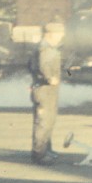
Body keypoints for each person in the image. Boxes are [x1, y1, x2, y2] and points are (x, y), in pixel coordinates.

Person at [30, 22, 64, 164]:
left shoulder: (49, 47)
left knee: (49, 120)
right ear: (50, 34)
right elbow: (43, 65)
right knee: (43, 122)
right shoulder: (44, 49)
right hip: (44, 89)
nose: (62, 36)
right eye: (60, 34)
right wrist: (49, 78)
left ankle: (46, 149)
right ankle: (39, 154)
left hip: (49, 90)